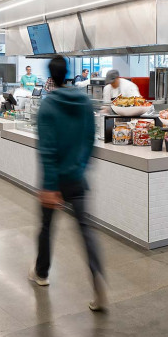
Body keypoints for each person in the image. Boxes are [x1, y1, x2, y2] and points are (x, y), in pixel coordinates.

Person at [27, 56, 107, 312]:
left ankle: (41, 273)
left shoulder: (48, 106)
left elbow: (47, 150)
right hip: (77, 176)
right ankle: (98, 278)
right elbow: (89, 139)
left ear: (50, 77)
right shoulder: (83, 101)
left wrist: (49, 187)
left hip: (56, 179)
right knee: (85, 229)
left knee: (47, 228)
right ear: (69, 73)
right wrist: (81, 167)